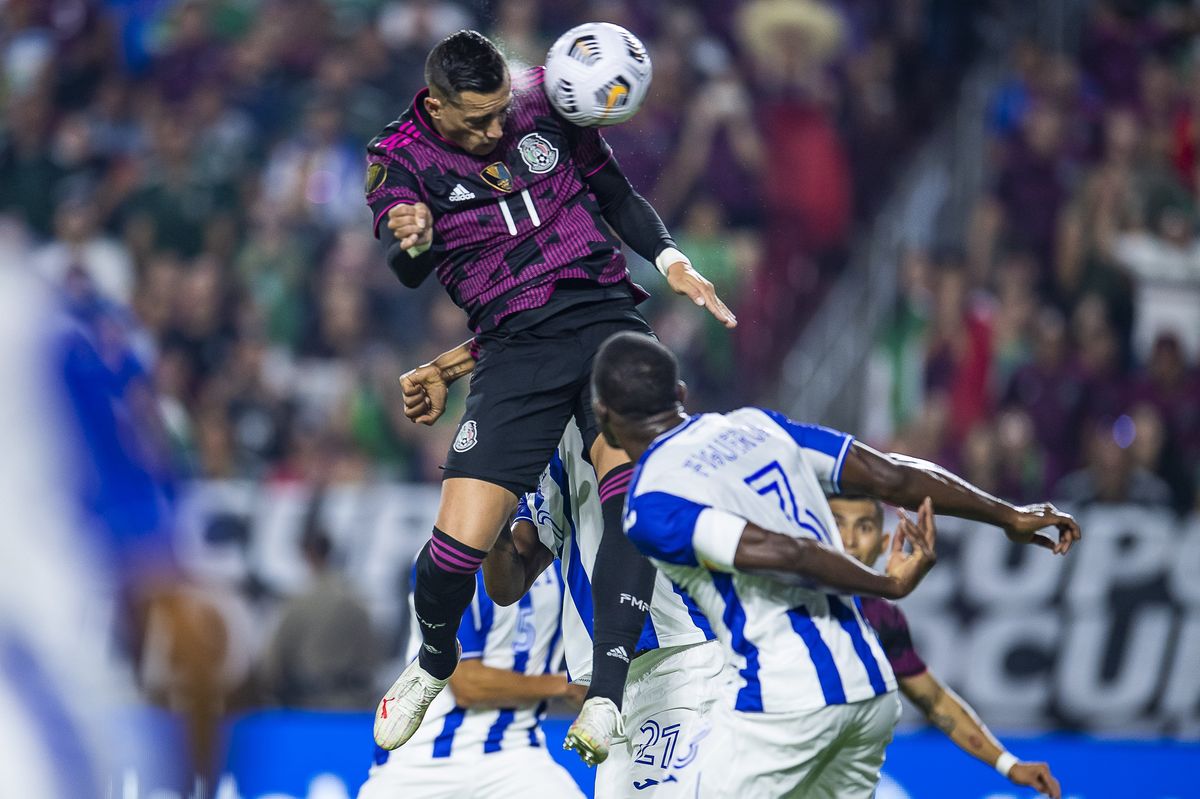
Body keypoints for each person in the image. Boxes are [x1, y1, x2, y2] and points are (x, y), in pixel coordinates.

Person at [365, 29, 735, 764]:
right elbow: (408, 268)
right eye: (480, 121)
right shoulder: (397, 159)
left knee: (631, 494)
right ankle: (435, 660)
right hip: (512, 349)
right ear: (437, 109)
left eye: (504, 110)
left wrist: (672, 260)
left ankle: (606, 690)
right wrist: (412, 240)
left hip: (605, 317)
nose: (501, 129)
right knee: (449, 556)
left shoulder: (546, 97)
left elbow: (616, 194)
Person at [589, 332, 1081, 798]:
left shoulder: (651, 503)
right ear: (679, 392)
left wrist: (886, 584)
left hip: (785, 700)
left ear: (602, 415)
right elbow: (889, 474)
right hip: (868, 693)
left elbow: (789, 553)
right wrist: (1008, 514)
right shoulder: (754, 425)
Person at [483, 419, 724, 790]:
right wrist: (490, 507)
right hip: (616, 687)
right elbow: (508, 584)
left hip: (679, 658)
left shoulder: (623, 412)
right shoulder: (547, 453)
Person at [830, 494, 1063, 799]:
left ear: (883, 540)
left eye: (863, 527)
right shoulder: (779, 596)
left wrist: (1008, 764)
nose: (848, 540)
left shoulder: (882, 620)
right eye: (836, 524)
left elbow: (936, 700)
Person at [358, 566, 582, 798]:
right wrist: (566, 685)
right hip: (423, 758)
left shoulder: (568, 561)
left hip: (514, 752)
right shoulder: (443, 558)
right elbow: (467, 683)